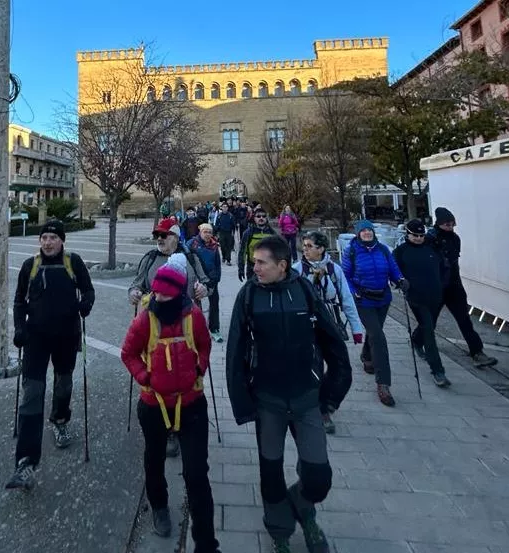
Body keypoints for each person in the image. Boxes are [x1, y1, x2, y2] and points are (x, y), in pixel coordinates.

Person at [226, 236, 352, 553]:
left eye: (260, 262)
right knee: (271, 472)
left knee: (318, 476)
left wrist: (332, 393)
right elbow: (235, 351)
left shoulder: (304, 291)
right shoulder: (248, 295)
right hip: (268, 399)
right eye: (253, 261)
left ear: (282, 265)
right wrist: (242, 402)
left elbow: (332, 341)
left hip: (306, 396)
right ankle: (281, 531)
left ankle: (301, 505)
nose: (254, 267)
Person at [121, 254, 221, 553]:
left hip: (191, 403)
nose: (159, 296)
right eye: (157, 291)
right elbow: (128, 353)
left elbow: (204, 344)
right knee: (154, 460)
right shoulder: (145, 319)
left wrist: (200, 368)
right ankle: (160, 506)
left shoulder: (194, 318)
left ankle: (205, 542)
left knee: (196, 473)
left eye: (166, 292)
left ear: (179, 293)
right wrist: (144, 377)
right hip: (153, 404)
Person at [7, 220, 95, 490]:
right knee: (32, 393)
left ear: (62, 241)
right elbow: (19, 300)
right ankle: (26, 461)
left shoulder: (73, 262)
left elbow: (89, 289)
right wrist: (19, 328)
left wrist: (85, 304)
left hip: (66, 336)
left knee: (63, 383)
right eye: (44, 237)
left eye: (52, 238)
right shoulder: (29, 266)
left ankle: (59, 420)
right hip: (36, 338)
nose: (47, 242)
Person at [129, 217, 210, 457]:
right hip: (155, 330)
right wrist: (134, 292)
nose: (160, 240)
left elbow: (206, 283)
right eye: (157, 236)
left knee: (184, 375)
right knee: (160, 377)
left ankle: (184, 422)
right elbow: (137, 284)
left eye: (164, 235)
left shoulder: (192, 258)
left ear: (175, 237)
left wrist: (204, 289)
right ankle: (167, 429)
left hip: (185, 329)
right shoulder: (150, 259)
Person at [292, 231, 363, 434]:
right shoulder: (298, 270)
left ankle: (329, 401)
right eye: (303, 246)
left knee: (341, 368)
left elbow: (346, 299)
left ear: (321, 248)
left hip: (330, 323)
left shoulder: (334, 269)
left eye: (309, 246)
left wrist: (356, 328)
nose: (304, 249)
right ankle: (317, 409)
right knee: (312, 367)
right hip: (307, 325)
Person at [341, 220, 408, 407]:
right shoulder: (352, 251)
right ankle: (383, 383)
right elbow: (345, 274)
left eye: (369, 230)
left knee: (375, 332)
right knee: (378, 336)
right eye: (363, 231)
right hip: (363, 299)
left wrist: (400, 280)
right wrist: (352, 290)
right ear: (358, 234)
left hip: (383, 298)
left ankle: (367, 356)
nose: (367, 233)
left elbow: (393, 268)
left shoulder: (383, 249)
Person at [426, 207, 498, 368]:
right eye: (447, 224)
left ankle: (477, 352)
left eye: (452, 224)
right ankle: (420, 341)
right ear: (439, 224)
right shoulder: (430, 239)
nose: (450, 227)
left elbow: (453, 262)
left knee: (464, 320)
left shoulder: (455, 239)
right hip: (437, 286)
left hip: (454, 285)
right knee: (430, 320)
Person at [393, 219, 451, 388]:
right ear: (408, 234)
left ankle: (416, 341)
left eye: (421, 235)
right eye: (415, 235)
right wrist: (400, 282)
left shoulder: (431, 249)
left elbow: (444, 267)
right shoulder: (401, 252)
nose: (418, 238)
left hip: (435, 295)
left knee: (429, 325)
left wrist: (442, 284)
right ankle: (437, 370)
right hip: (416, 297)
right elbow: (394, 271)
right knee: (428, 330)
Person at [187, 223, 223, 342]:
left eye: (210, 232)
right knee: (196, 304)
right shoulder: (192, 243)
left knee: (214, 303)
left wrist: (217, 277)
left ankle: (214, 328)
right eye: (205, 232)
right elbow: (186, 258)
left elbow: (218, 263)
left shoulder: (214, 245)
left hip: (211, 279)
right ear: (200, 232)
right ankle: (197, 328)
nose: (208, 234)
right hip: (197, 279)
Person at [238, 207, 276, 282]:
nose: (261, 218)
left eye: (263, 216)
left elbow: (278, 252)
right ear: (254, 218)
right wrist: (241, 269)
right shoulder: (248, 233)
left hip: (268, 268)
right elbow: (242, 252)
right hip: (252, 268)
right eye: (258, 216)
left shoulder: (272, 233)